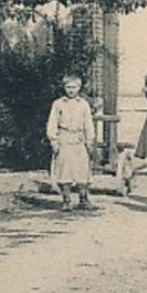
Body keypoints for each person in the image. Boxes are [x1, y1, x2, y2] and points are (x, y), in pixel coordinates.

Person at [46, 74, 97, 211]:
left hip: (79, 139)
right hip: (64, 139)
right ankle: (66, 200)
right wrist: (54, 141)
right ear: (64, 88)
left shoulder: (84, 104)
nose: (71, 90)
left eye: (74, 87)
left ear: (79, 88)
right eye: (68, 87)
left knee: (82, 170)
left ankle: (83, 199)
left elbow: (88, 123)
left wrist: (89, 139)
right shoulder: (58, 104)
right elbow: (52, 123)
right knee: (64, 170)